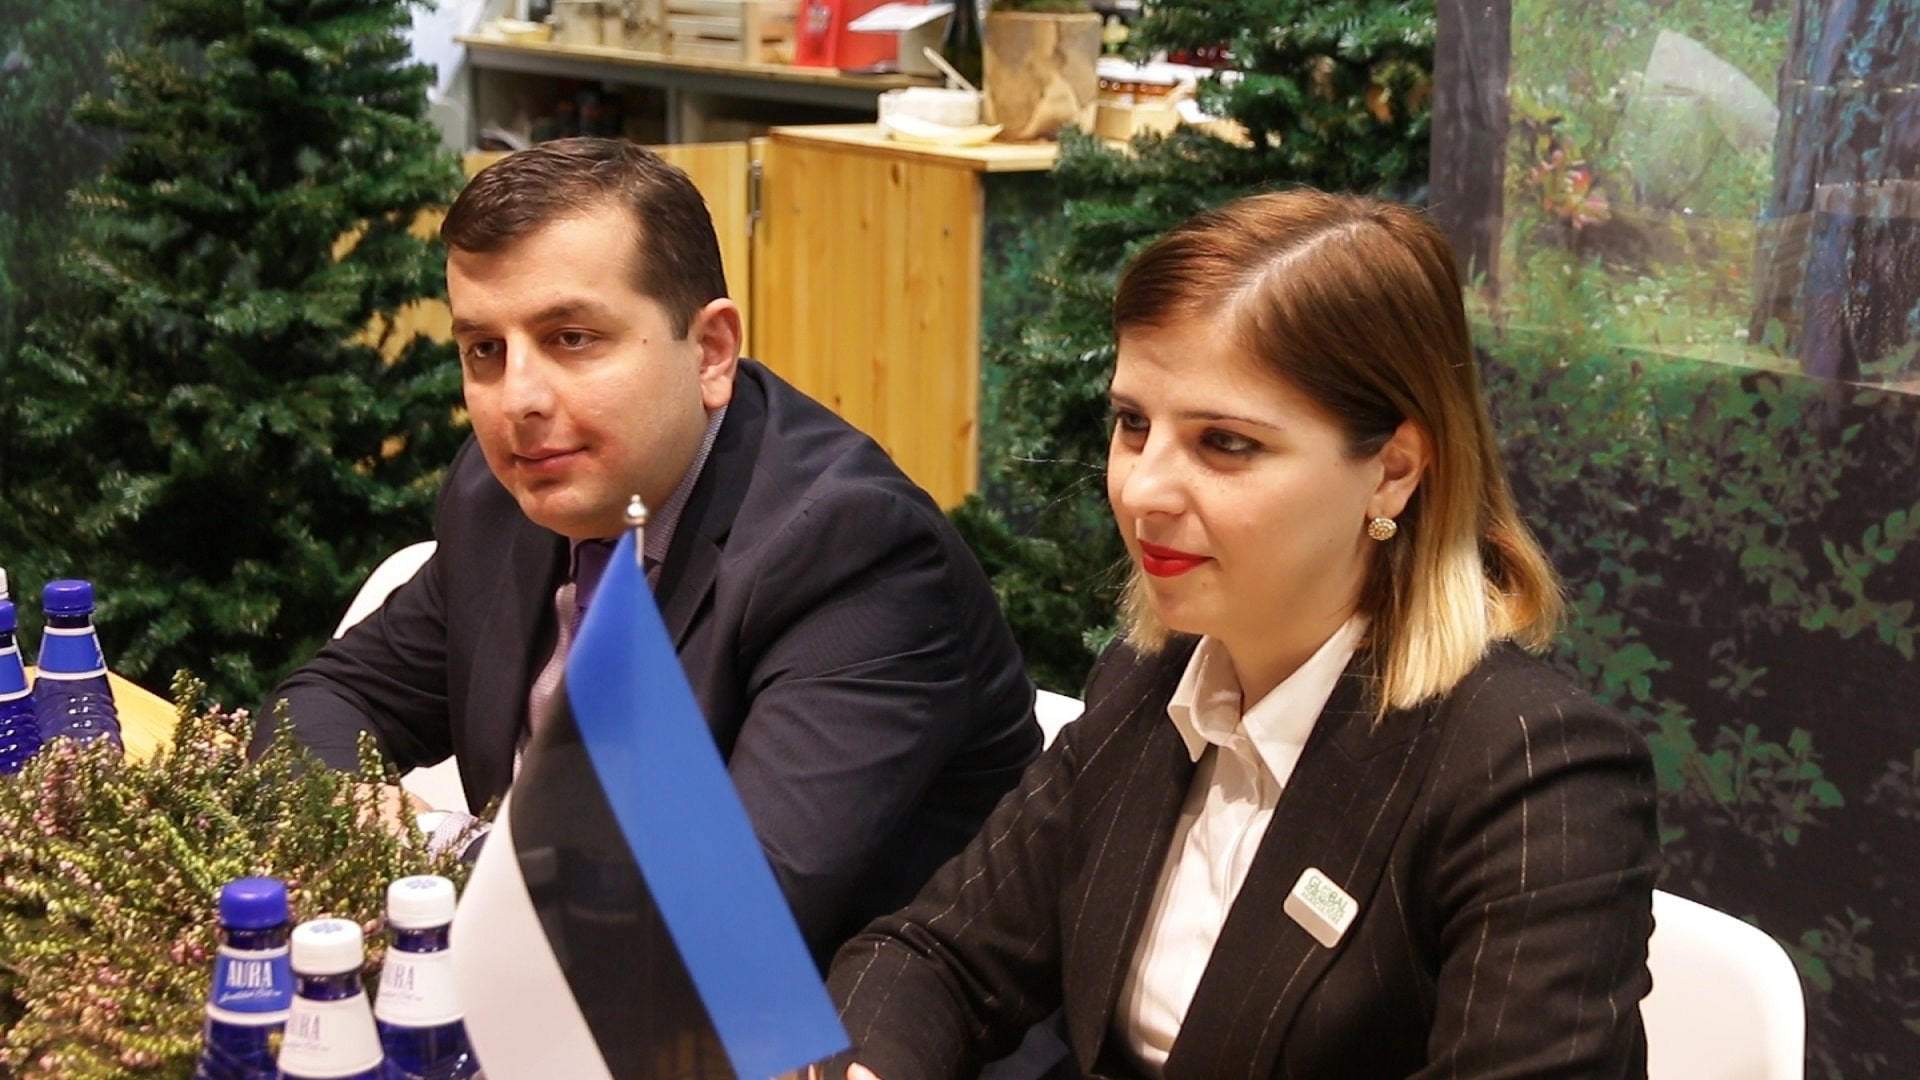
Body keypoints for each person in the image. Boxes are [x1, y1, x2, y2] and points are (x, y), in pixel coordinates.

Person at [823, 190, 1661, 1078]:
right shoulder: (1146, 683)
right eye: (1133, 423)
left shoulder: (1534, 773)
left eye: (1224, 442)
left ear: (1393, 472)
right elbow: (934, 957)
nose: (1142, 489)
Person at [263, 137, 1041, 966]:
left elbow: (721, 917)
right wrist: (365, 820)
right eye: (485, 350)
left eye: (570, 338)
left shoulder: (854, 548)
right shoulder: (506, 494)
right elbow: (321, 703)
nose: (517, 400)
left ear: (710, 352)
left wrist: (434, 851)